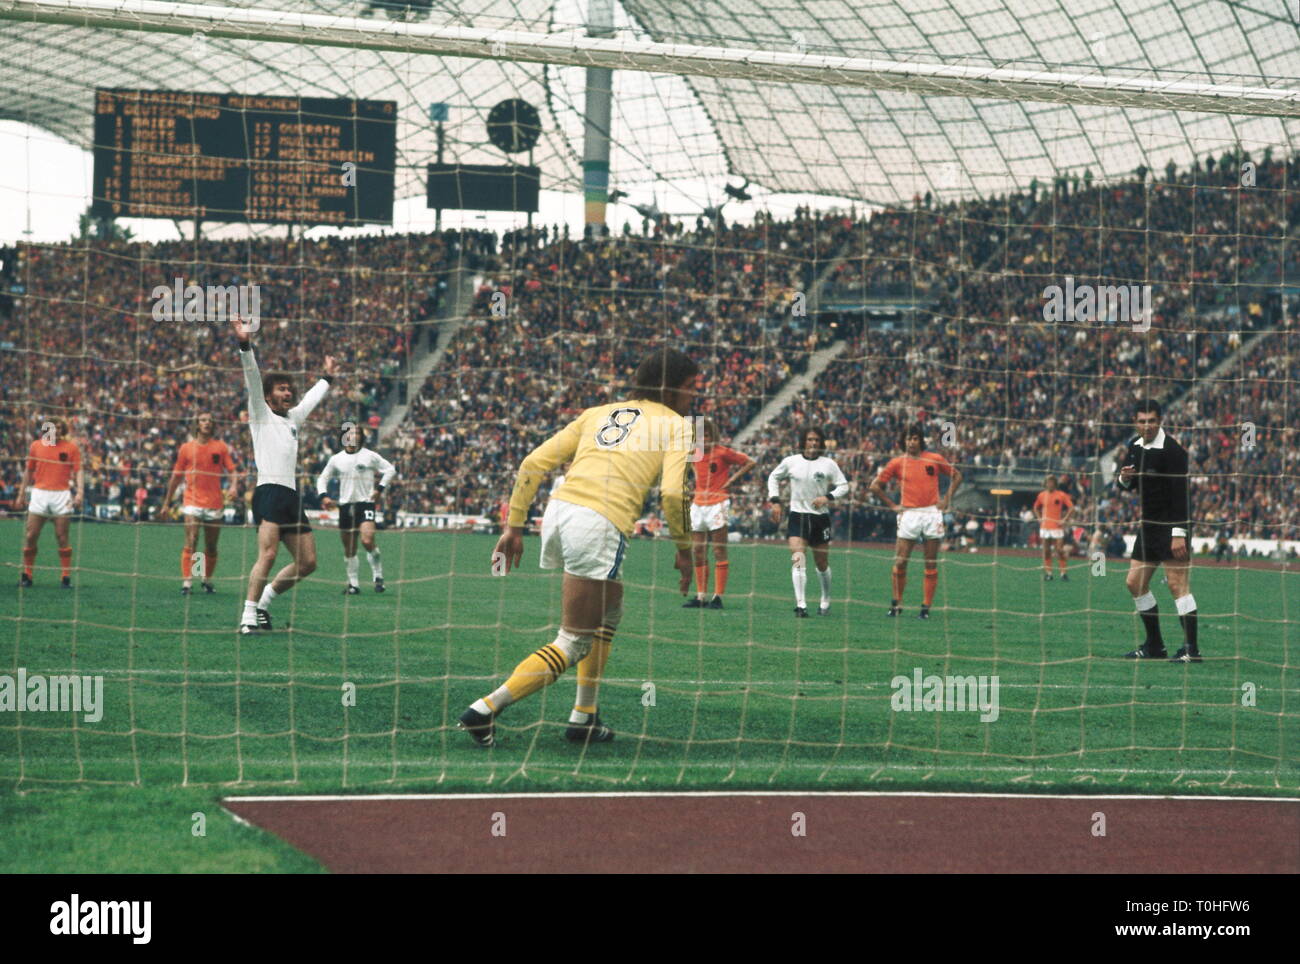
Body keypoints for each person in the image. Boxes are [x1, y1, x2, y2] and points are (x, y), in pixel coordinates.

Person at [460, 348, 698, 747]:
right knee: (573, 639)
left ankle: (584, 716)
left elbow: (533, 463)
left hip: (561, 511)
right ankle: (484, 710)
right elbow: (674, 495)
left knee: (611, 608)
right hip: (600, 522)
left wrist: (514, 526)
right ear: (670, 388)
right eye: (691, 388)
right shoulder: (678, 424)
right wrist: (685, 549)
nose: (694, 397)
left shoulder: (598, 412)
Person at [231, 315, 338, 634]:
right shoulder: (260, 414)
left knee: (308, 563)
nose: (288, 393)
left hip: (291, 496)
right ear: (268, 395)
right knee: (268, 553)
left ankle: (264, 601)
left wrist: (327, 378)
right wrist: (245, 344)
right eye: (281, 389)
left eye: (290, 388)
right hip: (269, 492)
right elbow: (252, 376)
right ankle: (248, 614)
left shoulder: (292, 420)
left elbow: (310, 400)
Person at [1117, 400, 1201, 662]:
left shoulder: (1173, 451)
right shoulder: (1134, 446)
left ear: (1160, 420)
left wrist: (1179, 533)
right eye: (1142, 421)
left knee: (1177, 585)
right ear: (1135, 422)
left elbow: (1182, 496)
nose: (1147, 425)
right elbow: (1128, 486)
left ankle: (1191, 650)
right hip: (1148, 526)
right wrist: (1124, 479)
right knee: (1134, 583)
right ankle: (1155, 646)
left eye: (1151, 420)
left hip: (1173, 527)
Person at [869, 425, 962, 619]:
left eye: (915, 438)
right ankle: (896, 603)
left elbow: (957, 476)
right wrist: (893, 506)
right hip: (909, 513)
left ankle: (925, 608)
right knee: (901, 561)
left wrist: (946, 500)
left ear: (921, 440)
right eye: (908, 439)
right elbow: (875, 487)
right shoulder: (897, 463)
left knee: (930, 562)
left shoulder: (934, 459)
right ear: (903, 442)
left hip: (931, 513)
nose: (911, 442)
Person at [767, 426, 850, 617]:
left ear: (821, 443)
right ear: (803, 442)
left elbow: (843, 486)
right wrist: (775, 501)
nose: (813, 443)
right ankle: (801, 605)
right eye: (809, 439)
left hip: (820, 518)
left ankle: (825, 599)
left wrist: (827, 497)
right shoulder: (791, 462)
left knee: (821, 562)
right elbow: (773, 477)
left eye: (816, 440)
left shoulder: (828, 464)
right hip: (798, 516)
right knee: (798, 558)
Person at [160, 412, 239, 594]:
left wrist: (234, 486)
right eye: (203, 420)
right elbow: (176, 477)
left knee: (211, 546)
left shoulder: (220, 447)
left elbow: (232, 470)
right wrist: (167, 502)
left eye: (210, 420)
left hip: (214, 503)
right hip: (192, 501)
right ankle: (188, 582)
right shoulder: (186, 448)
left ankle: (205, 579)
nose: (207, 423)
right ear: (197, 424)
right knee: (192, 540)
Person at [683, 419, 755, 609]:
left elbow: (749, 462)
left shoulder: (723, 452)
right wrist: (695, 481)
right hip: (698, 504)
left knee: (718, 550)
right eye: (700, 436)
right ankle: (700, 597)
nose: (704, 439)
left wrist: (731, 481)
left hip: (718, 503)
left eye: (707, 435)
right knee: (697, 550)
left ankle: (717, 597)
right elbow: (684, 461)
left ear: (713, 436)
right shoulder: (694, 453)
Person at [317, 425, 397, 594]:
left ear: (361, 437)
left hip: (365, 504)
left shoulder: (370, 456)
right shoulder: (336, 459)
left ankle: (378, 575)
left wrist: (379, 490)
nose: (353, 436)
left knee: (367, 540)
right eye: (350, 433)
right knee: (350, 548)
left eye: (357, 433)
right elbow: (322, 478)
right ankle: (354, 585)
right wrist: (323, 496)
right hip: (345, 507)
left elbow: (390, 470)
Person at [15, 417, 83, 588]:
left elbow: (79, 470)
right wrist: (21, 493)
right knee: (31, 535)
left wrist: (80, 492)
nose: (56, 430)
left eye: (59, 427)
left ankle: (65, 578)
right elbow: (29, 471)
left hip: (62, 495)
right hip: (39, 494)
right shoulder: (36, 446)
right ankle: (27, 575)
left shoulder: (71, 448)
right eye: (53, 427)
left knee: (62, 537)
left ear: (63, 430)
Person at [1033, 474, 1075, 581]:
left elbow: (1071, 508)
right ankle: (1049, 573)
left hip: (1057, 527)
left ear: (1055, 483)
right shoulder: (1041, 495)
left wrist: (1064, 519)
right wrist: (1039, 518)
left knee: (1059, 550)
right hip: (1045, 527)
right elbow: (1035, 507)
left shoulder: (1061, 495)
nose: (1050, 484)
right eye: (1048, 482)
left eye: (1052, 482)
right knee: (1046, 551)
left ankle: (1063, 573)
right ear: (1045, 484)